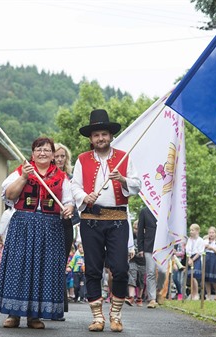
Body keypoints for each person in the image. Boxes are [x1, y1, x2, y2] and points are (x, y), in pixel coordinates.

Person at [72, 109, 141, 332]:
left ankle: (116, 315)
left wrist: (122, 179)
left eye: (103, 134)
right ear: (91, 139)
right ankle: (97, 317)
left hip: (118, 219)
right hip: (91, 219)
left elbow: (137, 185)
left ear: (110, 136)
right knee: (92, 269)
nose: (100, 138)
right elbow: (75, 186)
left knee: (120, 269)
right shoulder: (82, 159)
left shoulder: (124, 157)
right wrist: (84, 197)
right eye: (96, 135)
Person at [0, 137, 74, 329]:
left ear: (54, 155)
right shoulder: (21, 172)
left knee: (43, 269)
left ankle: (35, 316)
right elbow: (10, 196)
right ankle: (13, 313)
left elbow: (69, 201)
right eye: (38, 149)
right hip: (23, 223)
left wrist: (68, 209)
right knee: (18, 267)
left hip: (50, 227)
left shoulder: (62, 177)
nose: (42, 153)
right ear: (32, 153)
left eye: (47, 150)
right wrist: (23, 178)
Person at [54, 142, 78, 320]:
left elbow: (78, 201)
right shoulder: (45, 177)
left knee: (60, 263)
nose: (60, 159)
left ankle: (59, 306)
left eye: (63, 156)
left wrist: (71, 210)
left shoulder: (71, 178)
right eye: (57, 155)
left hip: (66, 225)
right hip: (48, 222)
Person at [137, 206, 164, 308]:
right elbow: (140, 230)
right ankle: (152, 299)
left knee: (162, 271)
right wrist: (140, 248)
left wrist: (173, 246)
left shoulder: (164, 208)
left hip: (163, 246)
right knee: (150, 272)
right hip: (149, 246)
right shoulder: (144, 210)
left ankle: (159, 292)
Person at [126, 220, 146, 307]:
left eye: (138, 229)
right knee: (132, 275)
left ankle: (139, 297)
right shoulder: (131, 237)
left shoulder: (145, 237)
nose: (136, 230)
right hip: (132, 259)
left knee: (141, 279)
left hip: (142, 261)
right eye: (134, 228)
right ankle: (131, 297)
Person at [203, 226, 216, 301]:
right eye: (210, 233)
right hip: (207, 261)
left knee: (214, 279)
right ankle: (208, 295)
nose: (211, 234)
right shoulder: (205, 241)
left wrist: (212, 248)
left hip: (215, 261)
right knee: (207, 279)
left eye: (213, 233)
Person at [185, 223, 204, 300]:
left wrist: (193, 259)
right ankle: (192, 293)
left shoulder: (200, 240)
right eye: (190, 230)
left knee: (194, 276)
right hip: (190, 257)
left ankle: (196, 293)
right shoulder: (189, 240)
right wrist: (189, 258)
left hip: (196, 258)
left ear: (197, 231)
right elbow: (188, 249)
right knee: (190, 276)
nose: (191, 232)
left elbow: (199, 252)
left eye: (192, 230)